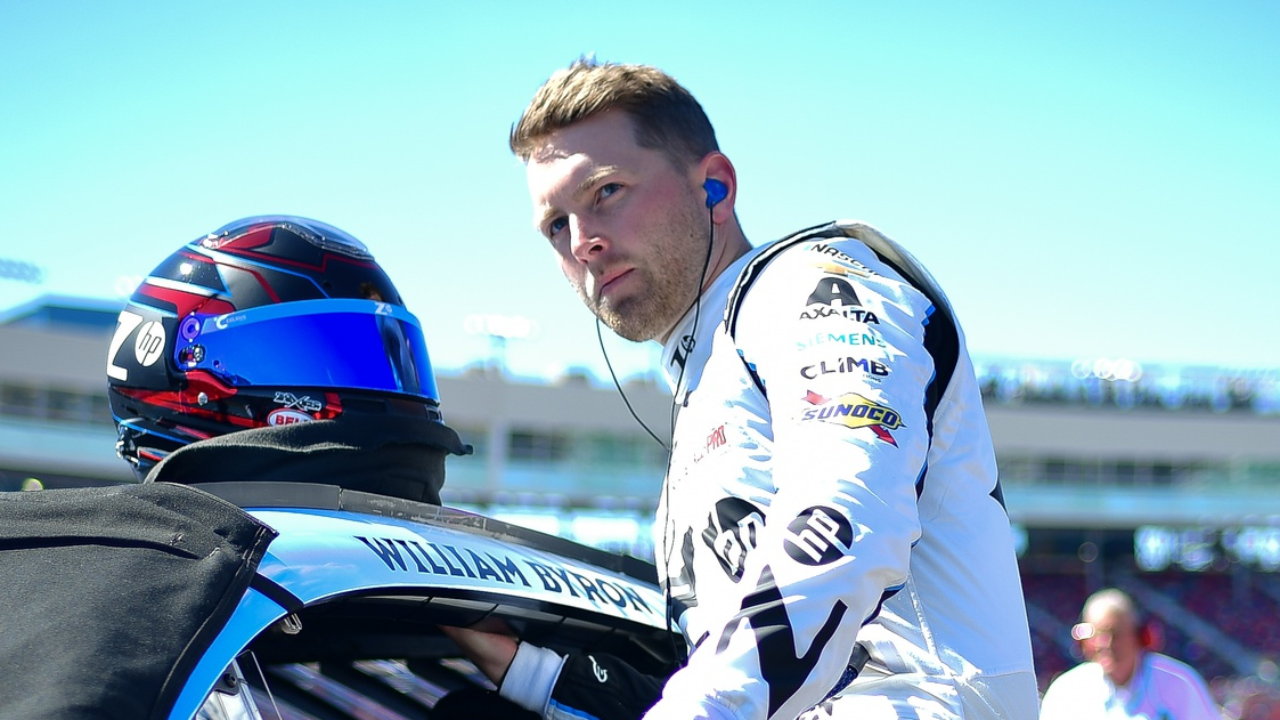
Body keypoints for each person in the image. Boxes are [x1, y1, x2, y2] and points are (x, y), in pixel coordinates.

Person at [443, 58, 1039, 719]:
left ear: (714, 187)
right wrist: (527, 669)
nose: (582, 242)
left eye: (606, 192)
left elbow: (846, 519)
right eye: (556, 225)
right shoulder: (706, 377)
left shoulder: (812, 285)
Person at [1040, 588, 1221, 719]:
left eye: (1115, 634)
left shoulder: (1180, 682)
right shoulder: (1065, 691)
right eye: (1097, 635)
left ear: (1140, 636)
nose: (1106, 644)